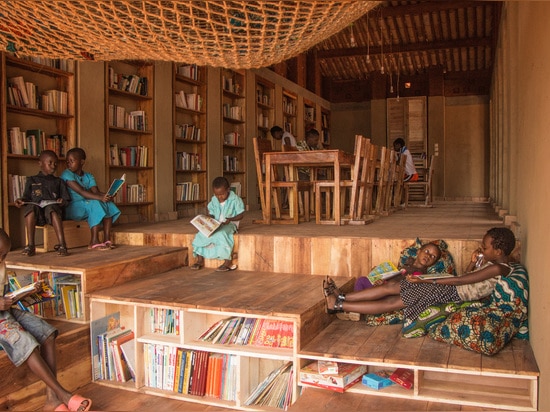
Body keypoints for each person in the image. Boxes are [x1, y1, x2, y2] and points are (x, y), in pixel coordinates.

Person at [324, 227, 517, 323]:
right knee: (393, 288)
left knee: (393, 301)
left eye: (485, 247)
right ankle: (340, 298)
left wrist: (427, 279)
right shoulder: (496, 263)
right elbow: (468, 275)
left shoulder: (498, 269)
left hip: (450, 293)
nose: (482, 248)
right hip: (449, 288)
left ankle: (339, 304)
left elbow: (461, 280)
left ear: (499, 251)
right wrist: (474, 262)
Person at [0, 228, 92, 411]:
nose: (2, 259)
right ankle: (63, 394)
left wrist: (20, 296)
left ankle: (51, 399)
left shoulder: (1, 265)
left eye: (4, 255)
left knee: (47, 333)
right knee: (27, 342)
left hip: (6, 312)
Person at [61, 148, 121, 250]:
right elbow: (81, 192)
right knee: (95, 204)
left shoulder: (88, 176)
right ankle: (94, 241)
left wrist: (108, 195)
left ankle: (106, 239)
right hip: (72, 207)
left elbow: (96, 192)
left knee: (108, 204)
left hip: (86, 203)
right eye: (67, 161)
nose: (69, 164)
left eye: (72, 161)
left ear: (82, 162)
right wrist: (101, 198)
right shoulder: (67, 174)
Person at [14, 150, 71, 257]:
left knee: (52, 209)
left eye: (55, 163)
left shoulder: (59, 181)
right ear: (40, 163)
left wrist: (62, 201)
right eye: (50, 163)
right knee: (31, 208)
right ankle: (30, 246)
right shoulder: (32, 180)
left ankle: (62, 245)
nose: (53, 166)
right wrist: (21, 200)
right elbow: (26, 197)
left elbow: (66, 199)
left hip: (52, 213)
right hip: (37, 213)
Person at [190, 176, 245, 272]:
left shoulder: (236, 200)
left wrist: (230, 219)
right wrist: (208, 219)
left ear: (228, 189)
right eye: (217, 195)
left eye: (222, 194)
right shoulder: (214, 200)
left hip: (230, 224)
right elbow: (211, 213)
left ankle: (228, 262)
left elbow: (241, 215)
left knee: (222, 234)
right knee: (201, 234)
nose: (219, 197)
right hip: (215, 225)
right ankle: (199, 260)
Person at [353, 242, 443, 291]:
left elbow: (402, 286)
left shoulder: (419, 274)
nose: (428, 256)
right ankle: (354, 303)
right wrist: (379, 272)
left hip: (388, 291)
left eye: (433, 256)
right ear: (418, 251)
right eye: (427, 252)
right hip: (383, 284)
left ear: (433, 263)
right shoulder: (408, 262)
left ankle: (355, 307)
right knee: (362, 280)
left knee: (364, 285)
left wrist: (384, 284)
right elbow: (396, 273)